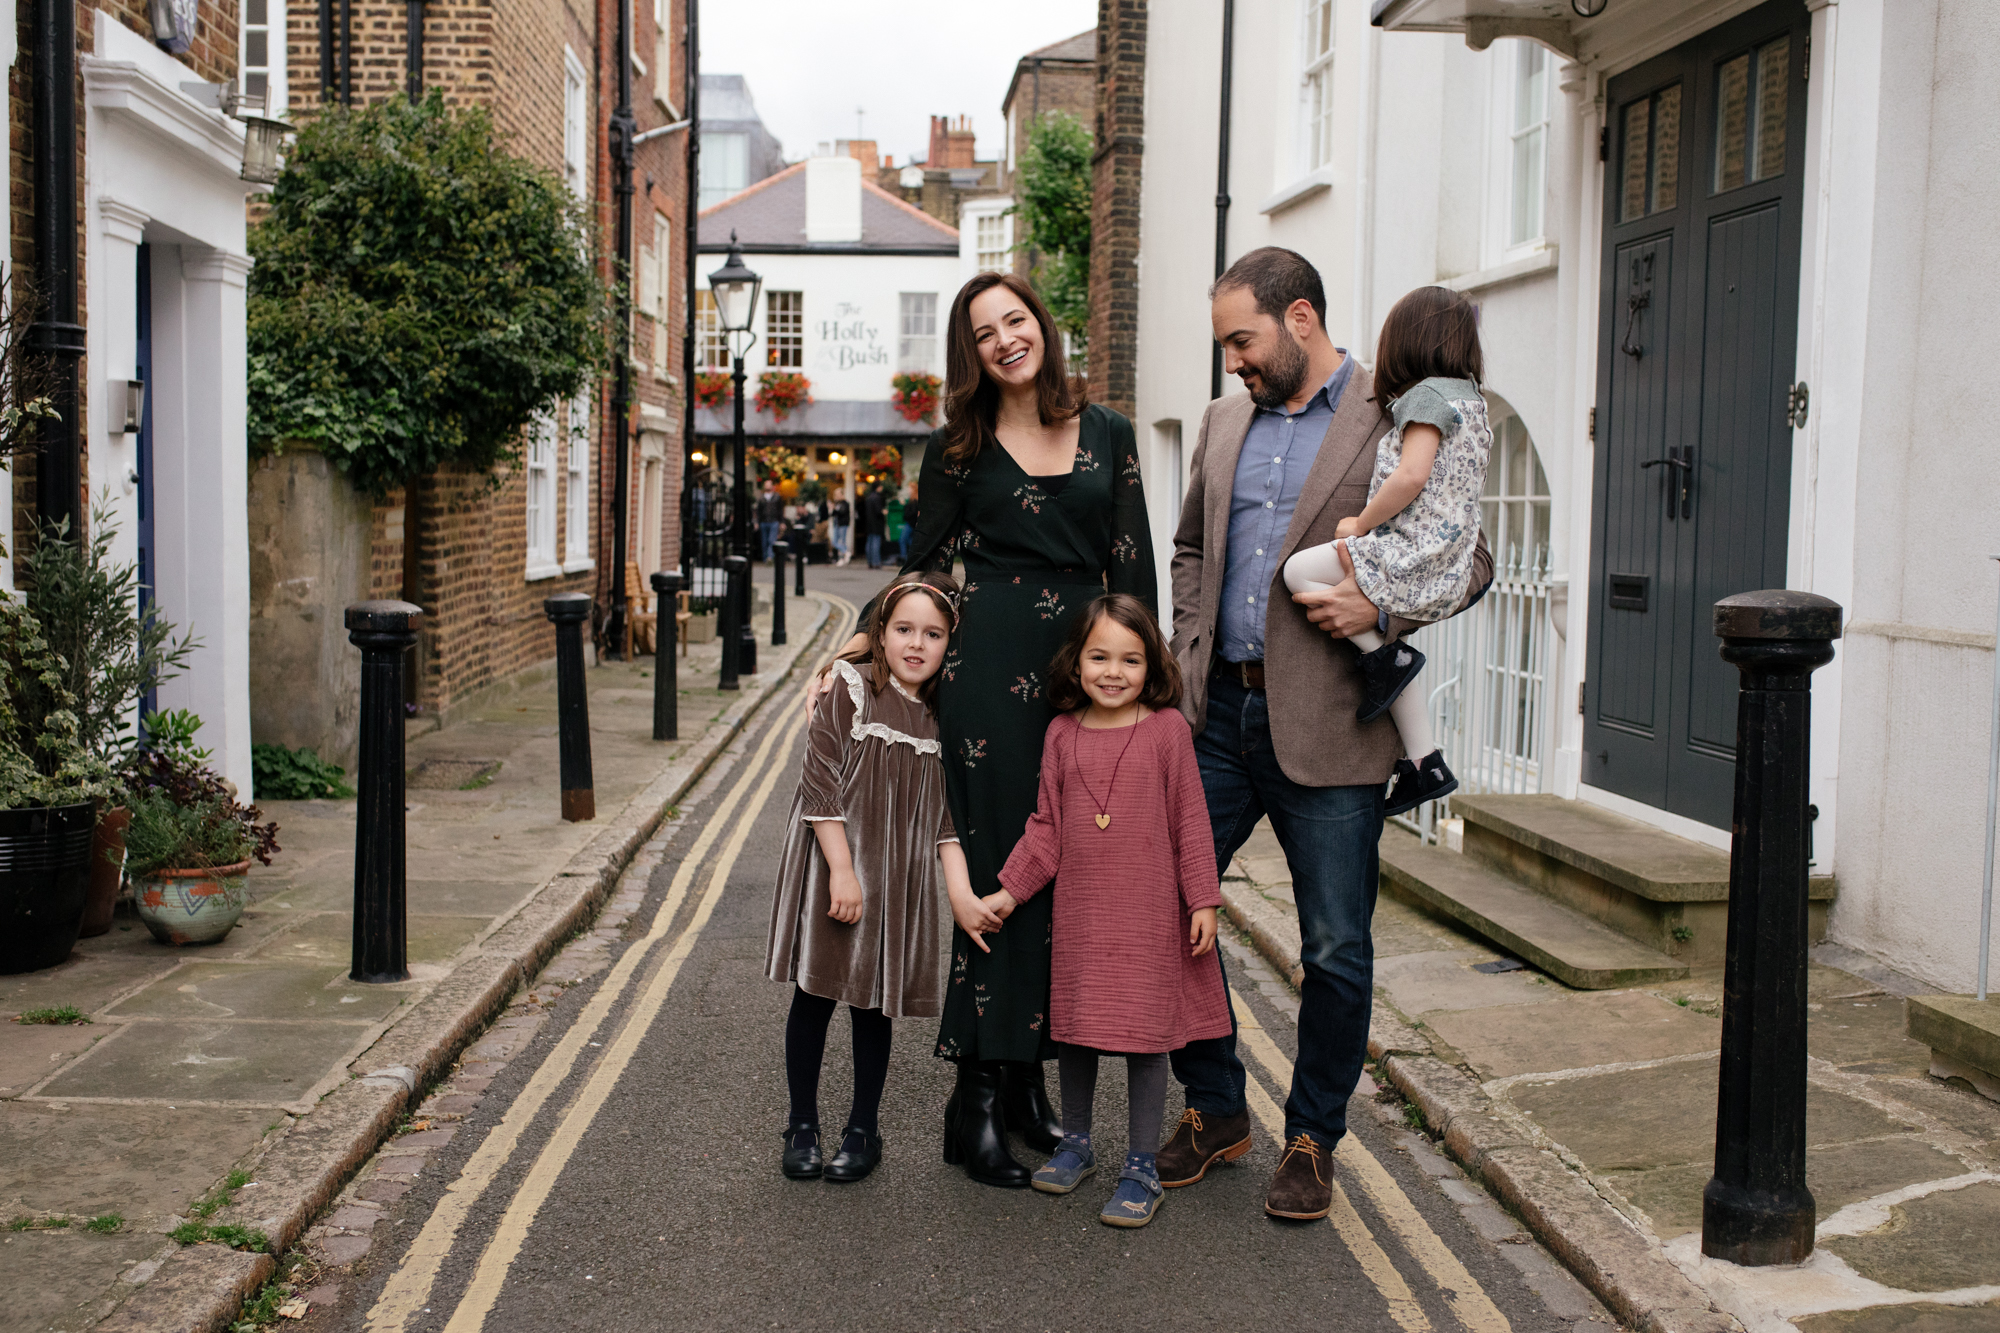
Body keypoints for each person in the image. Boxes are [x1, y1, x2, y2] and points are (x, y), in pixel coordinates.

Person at [1162, 247, 1492, 1221]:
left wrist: (1384, 617)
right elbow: (1188, 546)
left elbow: (1469, 555)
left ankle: (1312, 1135)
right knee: (1159, 904)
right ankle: (1217, 1105)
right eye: (1223, 344)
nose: (1231, 361)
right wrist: (1187, 644)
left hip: (1334, 727)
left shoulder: (1393, 411)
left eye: (1242, 339)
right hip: (1216, 716)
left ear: (1298, 318)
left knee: (1336, 949)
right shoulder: (1222, 421)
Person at [816, 270, 1156, 1190]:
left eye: (1016, 319)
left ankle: (1020, 1088)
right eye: (985, 331)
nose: (1006, 337)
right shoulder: (958, 447)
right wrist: (852, 652)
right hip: (989, 688)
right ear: (971, 353)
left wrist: (1146, 695)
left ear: (1040, 325)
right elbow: (918, 570)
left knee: (1070, 881)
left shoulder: (1111, 432)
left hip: (1089, 672)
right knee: (1002, 880)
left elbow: (1134, 570)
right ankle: (972, 1106)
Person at [982, 594, 1227, 1228]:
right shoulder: (1062, 733)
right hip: (1084, 915)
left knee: (1146, 1037)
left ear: (1152, 668)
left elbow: (1192, 823)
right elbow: (1047, 827)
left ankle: (1142, 1164)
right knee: (1079, 1028)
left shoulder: (1169, 731)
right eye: (1099, 656)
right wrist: (1010, 891)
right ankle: (1077, 1143)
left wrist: (1202, 898)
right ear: (1076, 662)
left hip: (1149, 913)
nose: (1113, 672)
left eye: (1131, 659)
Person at [766, 572, 979, 1184]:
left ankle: (864, 1129)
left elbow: (944, 819)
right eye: (904, 629)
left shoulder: (943, 715)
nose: (916, 644)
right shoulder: (852, 686)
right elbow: (819, 778)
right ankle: (801, 1124)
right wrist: (840, 870)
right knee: (815, 994)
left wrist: (958, 893)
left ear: (950, 644)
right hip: (836, 865)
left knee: (873, 1006)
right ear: (879, 633)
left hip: (895, 879)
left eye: (933, 634)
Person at [1281, 287, 1492, 816]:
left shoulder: (1426, 398)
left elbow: (1412, 474)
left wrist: (1361, 521)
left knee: (1298, 570)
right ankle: (1425, 761)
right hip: (1446, 561)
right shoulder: (1474, 403)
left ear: (1405, 342)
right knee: (1391, 665)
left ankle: (1382, 655)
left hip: (1409, 549)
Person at [757, 480, 784, 562]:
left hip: (774, 521)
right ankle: (765, 558)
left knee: (771, 540)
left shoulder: (777, 497)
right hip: (763, 521)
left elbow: (780, 510)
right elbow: (758, 511)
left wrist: (782, 522)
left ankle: (770, 557)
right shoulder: (761, 497)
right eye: (766, 485)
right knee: (764, 541)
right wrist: (757, 522)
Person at [862, 482, 887, 569]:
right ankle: (876, 562)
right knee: (876, 543)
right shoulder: (877, 497)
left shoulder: (868, 497)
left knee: (869, 543)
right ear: (878, 487)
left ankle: (870, 562)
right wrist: (883, 512)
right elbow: (878, 511)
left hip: (869, 523)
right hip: (876, 524)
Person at [831, 488, 852, 565]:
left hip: (842, 524)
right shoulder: (837, 503)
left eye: (837, 494)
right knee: (835, 542)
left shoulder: (845, 503)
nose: (836, 496)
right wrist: (832, 509)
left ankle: (843, 558)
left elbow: (842, 512)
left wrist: (834, 509)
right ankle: (846, 552)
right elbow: (833, 514)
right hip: (836, 524)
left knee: (842, 541)